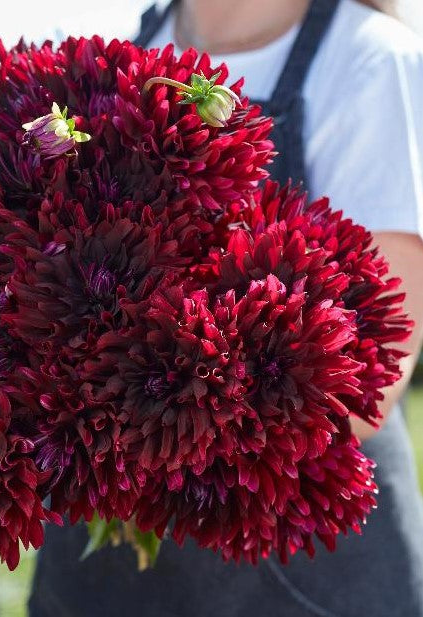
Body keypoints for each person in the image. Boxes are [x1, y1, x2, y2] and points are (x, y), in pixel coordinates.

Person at [28, 1, 423, 615]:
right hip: (98, 556)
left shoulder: (373, 61)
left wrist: (136, 438)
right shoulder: (106, 50)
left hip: (295, 558)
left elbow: (376, 371)